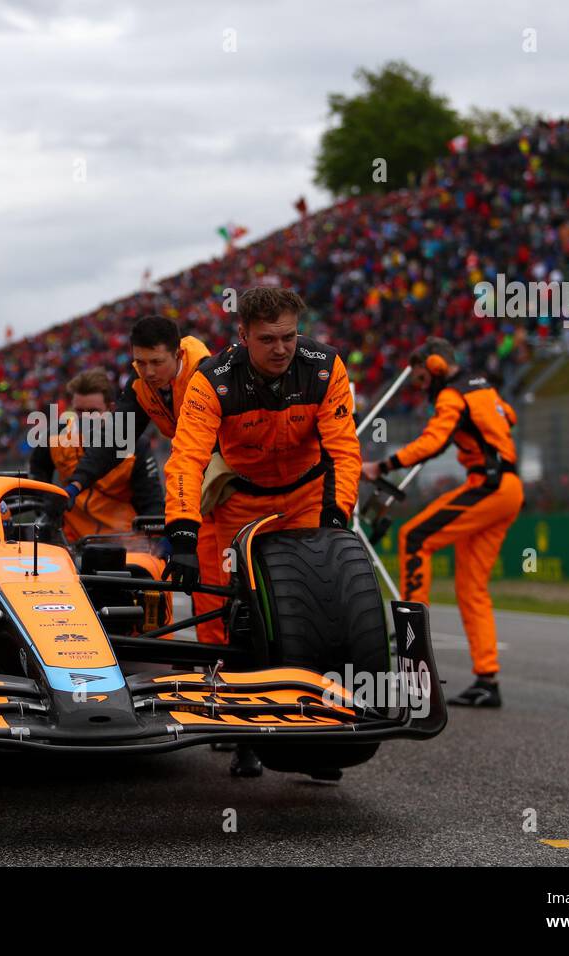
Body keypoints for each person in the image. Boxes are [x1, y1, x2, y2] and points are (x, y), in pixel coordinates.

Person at [163, 288, 361, 776]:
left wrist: (337, 519)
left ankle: (322, 736)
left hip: (307, 494)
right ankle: (242, 732)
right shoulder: (212, 381)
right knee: (232, 614)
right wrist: (183, 534)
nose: (281, 348)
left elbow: (343, 450)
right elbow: (187, 459)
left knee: (318, 607)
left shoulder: (324, 366)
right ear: (243, 335)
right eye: (268, 338)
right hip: (239, 502)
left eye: (289, 336)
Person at [362, 337, 523, 708]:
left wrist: (382, 465)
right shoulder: (482, 386)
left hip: (488, 485)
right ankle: (487, 680)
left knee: (414, 537)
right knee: (471, 587)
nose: (422, 389)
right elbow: (508, 416)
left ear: (434, 366)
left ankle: (411, 646)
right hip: (507, 488)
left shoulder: (452, 395)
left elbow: (433, 443)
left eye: (420, 379)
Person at [63, 317, 225, 640]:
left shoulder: (209, 373)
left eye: (156, 362)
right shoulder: (141, 386)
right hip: (200, 487)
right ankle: (216, 672)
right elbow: (114, 440)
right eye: (140, 362)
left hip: (231, 481)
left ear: (178, 355)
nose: (148, 371)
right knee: (208, 593)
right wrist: (74, 484)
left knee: (229, 582)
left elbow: (194, 456)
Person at [28, 369, 163, 540]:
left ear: (111, 408)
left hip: (125, 543)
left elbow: (152, 503)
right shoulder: (55, 435)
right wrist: (47, 504)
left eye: (93, 411)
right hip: (69, 543)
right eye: (79, 411)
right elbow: (37, 471)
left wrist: (155, 541)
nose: (85, 418)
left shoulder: (135, 444)